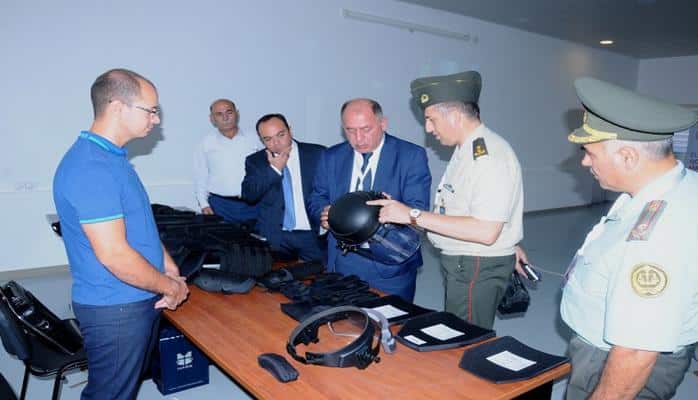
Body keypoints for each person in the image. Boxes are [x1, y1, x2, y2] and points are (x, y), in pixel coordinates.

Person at [52, 69, 189, 400]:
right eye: (150, 110)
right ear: (117, 107)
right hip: (116, 308)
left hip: (135, 298)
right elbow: (115, 256)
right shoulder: (91, 167)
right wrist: (170, 286)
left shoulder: (112, 158)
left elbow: (140, 224)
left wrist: (168, 266)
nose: (156, 119)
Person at [559, 77, 698, 399]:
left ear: (627, 157)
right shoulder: (672, 186)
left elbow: (636, 351)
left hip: (613, 363)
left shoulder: (657, 237)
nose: (584, 161)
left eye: (590, 153)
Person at [368, 71, 525, 329]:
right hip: (467, 263)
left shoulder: (487, 158)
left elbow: (486, 231)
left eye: (431, 119)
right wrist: (401, 211)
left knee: (465, 338)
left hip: (475, 265)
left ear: (454, 116)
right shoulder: (467, 150)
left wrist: (411, 215)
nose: (428, 128)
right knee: (459, 331)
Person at [308, 98, 431, 302]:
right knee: (344, 320)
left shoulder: (410, 156)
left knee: (393, 321)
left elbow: (418, 210)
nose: (358, 138)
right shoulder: (331, 156)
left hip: (391, 265)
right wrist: (323, 214)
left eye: (366, 129)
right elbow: (317, 197)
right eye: (350, 130)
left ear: (383, 123)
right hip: (343, 262)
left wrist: (395, 211)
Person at [241, 113, 326, 262]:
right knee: (275, 276)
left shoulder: (318, 153)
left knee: (319, 275)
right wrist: (274, 170)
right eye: (268, 139)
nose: (276, 143)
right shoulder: (256, 161)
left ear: (290, 130)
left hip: (311, 235)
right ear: (261, 140)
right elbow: (249, 195)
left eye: (281, 135)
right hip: (275, 236)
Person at [193, 99, 262, 224]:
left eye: (229, 112)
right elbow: (201, 176)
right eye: (219, 114)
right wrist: (203, 204)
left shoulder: (256, 139)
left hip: (254, 206)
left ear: (237, 114)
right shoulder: (206, 143)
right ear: (212, 119)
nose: (225, 117)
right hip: (221, 206)